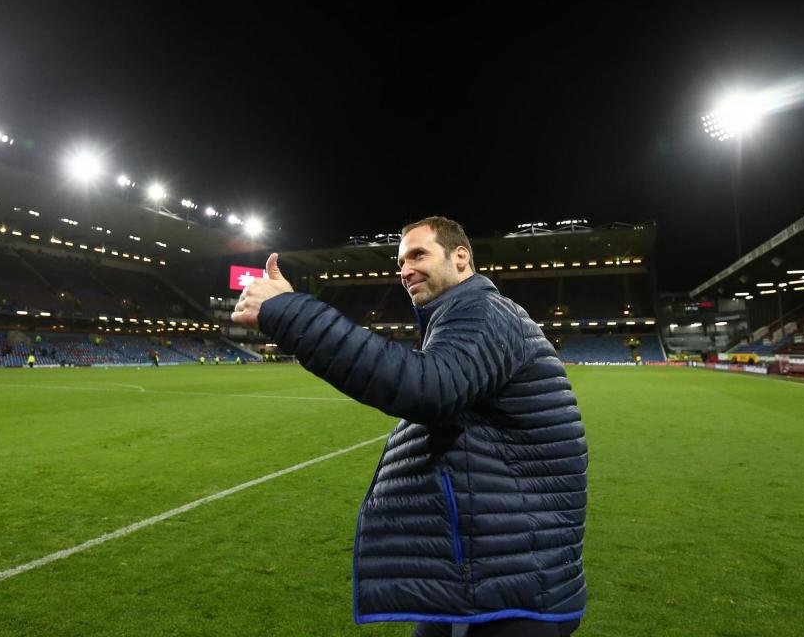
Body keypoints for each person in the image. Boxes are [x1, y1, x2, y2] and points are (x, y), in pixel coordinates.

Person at [232, 216, 587, 636]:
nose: (405, 270)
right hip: (487, 575)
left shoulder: (484, 311)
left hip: (505, 592)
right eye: (400, 261)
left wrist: (288, 313)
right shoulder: (465, 316)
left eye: (419, 254)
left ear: (460, 258)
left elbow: (426, 388)